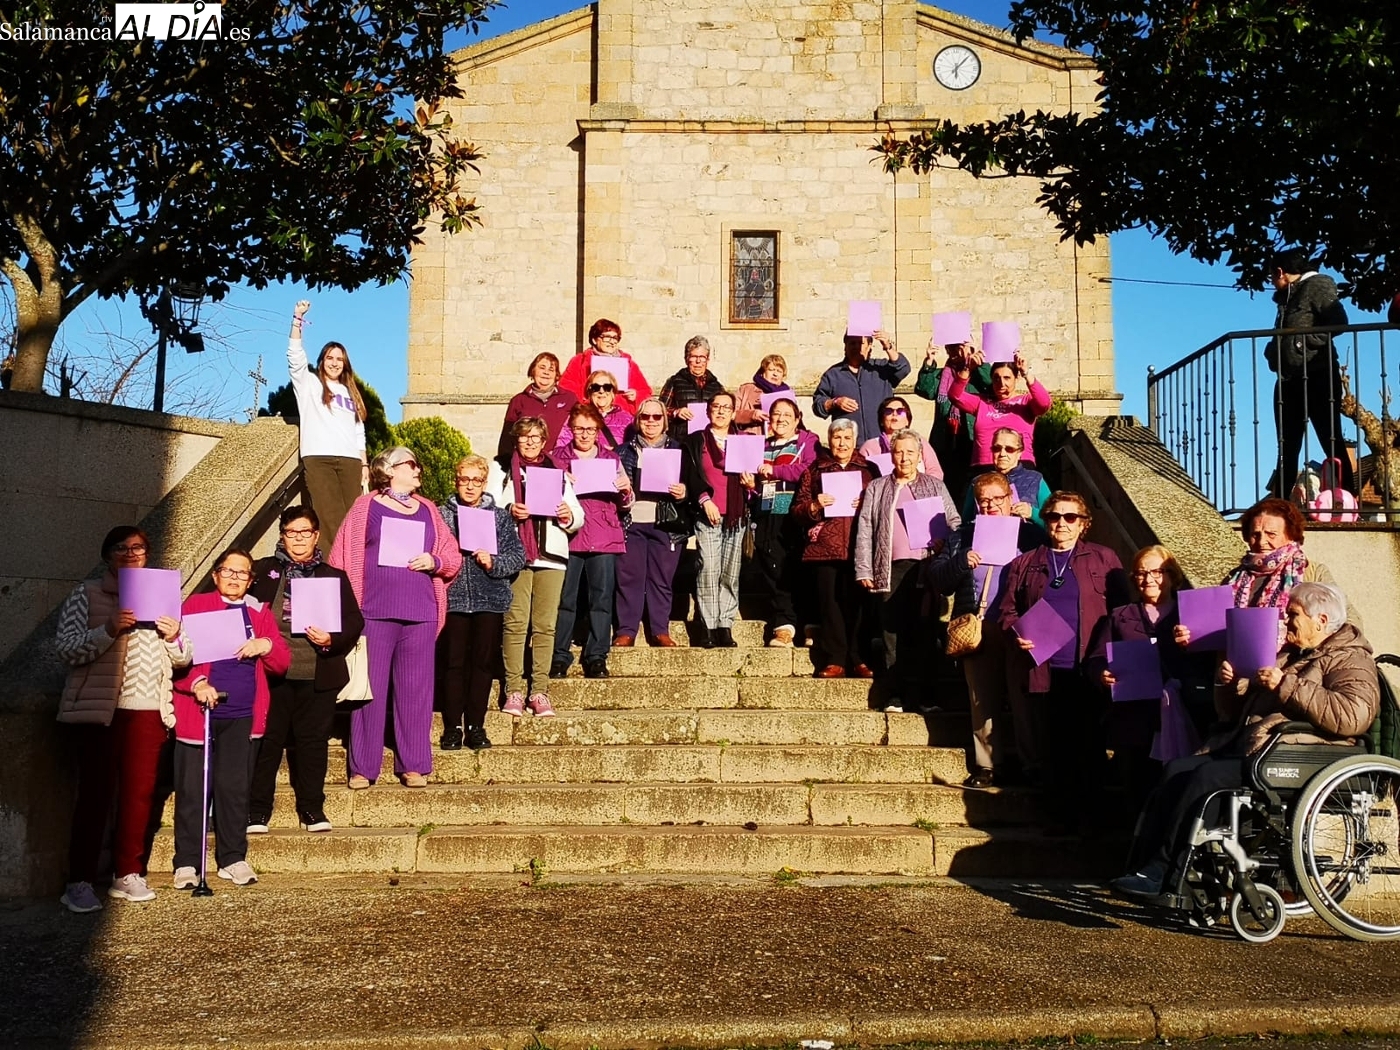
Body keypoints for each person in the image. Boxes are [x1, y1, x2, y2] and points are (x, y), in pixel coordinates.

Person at [1113, 582, 1379, 900]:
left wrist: (1287, 685)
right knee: (1177, 770)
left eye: (1293, 614)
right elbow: (1231, 712)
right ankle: (1145, 868)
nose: (1285, 620)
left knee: (1206, 778)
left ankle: (1168, 870)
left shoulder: (1349, 659)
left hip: (1299, 756)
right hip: (1261, 748)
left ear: (1320, 621)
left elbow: (1353, 715)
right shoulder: (1292, 655)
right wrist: (1229, 683)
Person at [55, 527, 191, 912]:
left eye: (139, 548)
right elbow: (66, 649)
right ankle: (79, 881)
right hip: (101, 712)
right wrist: (109, 628)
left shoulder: (166, 595)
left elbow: (184, 657)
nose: (131, 553)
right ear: (107, 555)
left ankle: (128, 874)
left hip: (148, 708)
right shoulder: (87, 594)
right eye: (122, 548)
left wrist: (175, 635)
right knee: (95, 796)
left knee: (139, 795)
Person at [330, 446, 463, 789]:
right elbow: (340, 558)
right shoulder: (365, 507)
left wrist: (434, 562)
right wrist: (344, 611)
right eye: (411, 464)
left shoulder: (429, 509)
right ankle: (363, 767)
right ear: (389, 471)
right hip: (373, 612)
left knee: (415, 692)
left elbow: (451, 554)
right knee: (368, 692)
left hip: (421, 613)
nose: (418, 469)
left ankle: (414, 764)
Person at [998, 492, 1127, 830]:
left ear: (1084, 523)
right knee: (1053, 746)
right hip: (1044, 668)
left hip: (1090, 666)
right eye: (1054, 516)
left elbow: (1123, 612)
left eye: (1071, 518)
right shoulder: (1025, 563)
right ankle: (1059, 818)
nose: (1061, 524)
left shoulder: (1104, 558)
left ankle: (1091, 821)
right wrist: (1017, 634)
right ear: (1045, 519)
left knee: (1091, 744)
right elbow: (1007, 611)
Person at [171, 548, 291, 888]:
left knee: (234, 789)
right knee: (194, 790)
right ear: (215, 574)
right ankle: (187, 862)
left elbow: (281, 663)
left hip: (242, 715)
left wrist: (266, 645)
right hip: (200, 713)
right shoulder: (192, 607)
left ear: (251, 579)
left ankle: (233, 857)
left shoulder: (259, 611)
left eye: (243, 573)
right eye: (229, 571)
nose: (236, 578)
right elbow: (176, 659)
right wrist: (197, 683)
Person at [247, 506, 364, 835]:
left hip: (317, 672)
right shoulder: (262, 571)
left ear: (315, 536)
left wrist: (331, 638)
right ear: (282, 536)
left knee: (313, 743)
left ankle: (312, 808)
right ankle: (257, 811)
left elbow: (354, 621)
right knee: (267, 743)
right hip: (271, 672)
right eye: (291, 533)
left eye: (304, 532)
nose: (298, 539)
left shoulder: (333, 576)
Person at [925, 473, 1046, 788]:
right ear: (976, 504)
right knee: (982, 699)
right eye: (984, 500)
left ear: (1010, 498)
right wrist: (961, 562)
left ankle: (1031, 764)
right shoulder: (962, 535)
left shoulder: (1031, 535)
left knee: (1023, 701)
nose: (991, 505)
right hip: (977, 626)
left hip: (1020, 627)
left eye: (997, 498)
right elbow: (938, 579)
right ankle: (988, 766)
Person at [1085, 545, 1216, 814]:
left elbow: (1213, 658)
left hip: (1184, 714)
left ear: (1173, 575)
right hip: (1135, 718)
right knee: (1138, 788)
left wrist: (1195, 643)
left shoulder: (1191, 614)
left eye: (1157, 571)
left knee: (1180, 789)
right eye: (1141, 573)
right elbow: (1095, 658)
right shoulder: (1119, 616)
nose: (1148, 579)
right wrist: (1102, 674)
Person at [854, 429, 960, 710]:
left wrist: (944, 542)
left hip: (926, 567)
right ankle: (894, 693)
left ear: (919, 456)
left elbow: (954, 521)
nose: (904, 458)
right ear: (891, 454)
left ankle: (926, 695)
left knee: (924, 631)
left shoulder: (934, 485)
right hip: (889, 568)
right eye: (899, 452)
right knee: (891, 633)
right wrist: (863, 568)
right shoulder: (878, 487)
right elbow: (865, 527)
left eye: (910, 452)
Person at [492, 416, 585, 714]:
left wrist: (567, 514)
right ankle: (514, 690)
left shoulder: (556, 471)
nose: (531, 441)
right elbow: (489, 507)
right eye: (525, 436)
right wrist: (509, 511)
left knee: (545, 626)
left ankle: (540, 690)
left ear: (545, 442)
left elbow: (578, 516)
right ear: (516, 440)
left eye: (536, 437)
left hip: (552, 557)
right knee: (516, 624)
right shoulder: (503, 469)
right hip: (517, 555)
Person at [437, 456, 526, 750]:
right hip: (453, 599)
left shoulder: (499, 517)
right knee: (453, 664)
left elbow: (518, 556)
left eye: (476, 480)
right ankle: (453, 727)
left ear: (484, 483)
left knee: (483, 664)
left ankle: (476, 724)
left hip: (490, 599)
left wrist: (494, 562)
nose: (470, 486)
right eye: (465, 479)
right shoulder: (441, 515)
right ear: (456, 480)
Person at [1263, 248, 1355, 499]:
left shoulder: (1317, 285)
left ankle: (1348, 500)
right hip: (1288, 378)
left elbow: (1338, 323)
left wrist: (1300, 345)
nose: (1271, 281)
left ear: (1281, 272)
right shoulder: (1287, 295)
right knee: (1287, 447)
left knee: (1331, 439)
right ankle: (1281, 504)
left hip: (1318, 374)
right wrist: (1274, 351)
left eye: (1272, 275)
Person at [793, 418, 879, 678]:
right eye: (837, 438)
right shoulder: (816, 469)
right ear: (829, 440)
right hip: (825, 547)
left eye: (847, 438)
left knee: (859, 605)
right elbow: (797, 509)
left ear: (855, 441)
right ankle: (835, 659)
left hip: (859, 546)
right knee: (830, 606)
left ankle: (859, 657)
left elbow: (882, 506)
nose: (842, 443)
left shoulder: (870, 470)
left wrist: (866, 503)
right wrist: (815, 506)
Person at [551, 403, 632, 678]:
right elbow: (545, 499)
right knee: (565, 599)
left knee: (601, 598)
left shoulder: (612, 460)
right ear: (571, 430)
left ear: (598, 431)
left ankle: (597, 655)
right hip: (569, 536)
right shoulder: (556, 459)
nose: (584, 434)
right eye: (579, 428)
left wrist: (625, 491)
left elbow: (625, 504)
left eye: (590, 429)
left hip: (604, 535)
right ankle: (559, 655)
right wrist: (558, 482)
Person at [286, 300, 368, 552]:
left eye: (340, 359)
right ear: (322, 360)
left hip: (350, 461)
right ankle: (330, 571)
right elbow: (295, 357)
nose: (334, 363)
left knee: (355, 520)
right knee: (329, 519)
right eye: (330, 358)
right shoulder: (309, 384)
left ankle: (353, 569)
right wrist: (298, 318)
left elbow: (358, 431)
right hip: (319, 458)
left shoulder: (350, 391)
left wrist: (364, 464)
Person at [616, 397, 690, 647]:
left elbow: (694, 483)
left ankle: (660, 629)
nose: (651, 422)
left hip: (666, 524)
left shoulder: (679, 450)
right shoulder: (622, 451)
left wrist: (684, 492)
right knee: (630, 577)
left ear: (665, 422)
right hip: (631, 521)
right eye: (645, 417)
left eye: (656, 417)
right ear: (638, 421)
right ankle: (626, 630)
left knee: (661, 578)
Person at [745, 396, 818, 647]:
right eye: (776, 414)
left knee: (800, 568)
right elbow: (754, 484)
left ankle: (810, 623)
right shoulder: (760, 446)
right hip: (766, 513)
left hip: (796, 513)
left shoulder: (807, 442)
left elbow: (809, 469)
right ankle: (783, 625)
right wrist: (751, 487)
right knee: (773, 570)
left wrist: (775, 470)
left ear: (798, 419)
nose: (781, 419)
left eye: (787, 414)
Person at [682, 390, 747, 648]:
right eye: (716, 407)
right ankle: (707, 624)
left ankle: (725, 624)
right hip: (708, 511)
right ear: (708, 411)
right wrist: (704, 499)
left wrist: (751, 482)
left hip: (736, 514)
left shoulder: (743, 441)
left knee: (731, 571)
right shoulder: (695, 441)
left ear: (733, 413)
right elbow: (690, 474)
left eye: (726, 407)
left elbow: (752, 478)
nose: (720, 411)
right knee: (709, 567)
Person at [915, 339, 994, 502]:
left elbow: (991, 385)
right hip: (946, 440)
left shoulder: (977, 374)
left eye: (959, 347)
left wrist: (977, 362)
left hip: (972, 439)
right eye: (950, 347)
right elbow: (924, 390)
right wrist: (929, 361)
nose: (955, 351)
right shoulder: (940, 374)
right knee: (946, 486)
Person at [948, 349, 1051, 473]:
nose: (1001, 383)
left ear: (1016, 378)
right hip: (984, 467)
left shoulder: (1025, 402)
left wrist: (1026, 373)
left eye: (1007, 378)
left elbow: (1044, 403)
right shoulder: (982, 402)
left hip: (1020, 467)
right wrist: (968, 369)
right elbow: (955, 396)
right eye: (996, 378)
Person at [812, 328, 910, 445]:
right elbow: (818, 405)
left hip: (882, 443)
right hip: (849, 448)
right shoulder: (833, 374)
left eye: (861, 343)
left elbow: (904, 368)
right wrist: (834, 402)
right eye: (852, 343)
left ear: (869, 346)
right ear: (845, 346)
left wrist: (888, 346)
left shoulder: (881, 368)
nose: (856, 347)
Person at [958, 427, 1051, 526]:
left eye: (1009, 449)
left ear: (1019, 452)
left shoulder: (1034, 479)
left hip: (1026, 538)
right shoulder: (978, 482)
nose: (1002, 454)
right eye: (997, 449)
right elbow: (965, 523)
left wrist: (1032, 513)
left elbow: (1055, 517)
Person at [560, 318, 652, 414]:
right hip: (589, 414)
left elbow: (646, 393)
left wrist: (636, 396)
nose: (612, 342)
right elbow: (566, 388)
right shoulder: (580, 361)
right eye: (607, 337)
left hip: (621, 416)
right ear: (594, 340)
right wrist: (587, 396)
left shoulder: (629, 364)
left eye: (615, 338)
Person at [497, 352, 577, 459]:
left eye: (551, 370)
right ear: (533, 371)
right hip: (527, 460)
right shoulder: (519, 400)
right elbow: (507, 437)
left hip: (561, 459)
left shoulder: (570, 398)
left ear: (556, 375)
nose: (546, 373)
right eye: (542, 368)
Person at [659, 335, 727, 442]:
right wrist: (676, 412)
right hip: (681, 440)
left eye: (702, 357)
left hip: (708, 441)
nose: (698, 361)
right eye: (694, 357)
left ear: (707, 360)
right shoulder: (675, 382)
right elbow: (660, 409)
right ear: (687, 359)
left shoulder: (717, 386)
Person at [858, 394, 944, 478]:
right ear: (881, 420)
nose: (894, 414)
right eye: (888, 411)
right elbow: (862, 476)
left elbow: (936, 472)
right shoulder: (869, 446)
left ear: (908, 420)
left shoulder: (920, 441)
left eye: (900, 411)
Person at [556, 370, 632, 450]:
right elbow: (561, 449)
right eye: (596, 388)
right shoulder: (577, 416)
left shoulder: (627, 419)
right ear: (589, 392)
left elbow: (633, 452)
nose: (601, 391)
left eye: (607, 387)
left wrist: (616, 452)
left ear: (613, 392)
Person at [733, 354, 795, 434]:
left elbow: (796, 421)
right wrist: (751, 415)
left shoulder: (787, 394)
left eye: (779, 371)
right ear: (763, 372)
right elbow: (731, 414)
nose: (775, 374)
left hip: (779, 442)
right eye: (771, 370)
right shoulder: (746, 389)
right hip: (750, 439)